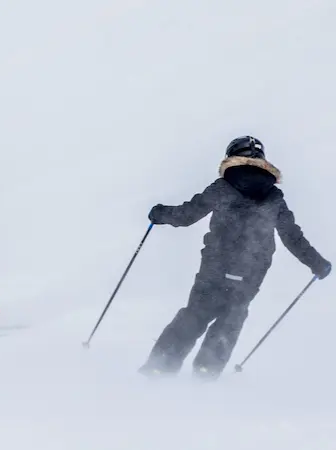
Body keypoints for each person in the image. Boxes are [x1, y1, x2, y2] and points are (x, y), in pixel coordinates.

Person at [140, 135, 331, 378]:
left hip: (215, 267)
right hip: (251, 273)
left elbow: (187, 215)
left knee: (196, 313)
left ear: (231, 157)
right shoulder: (274, 197)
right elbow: (292, 237)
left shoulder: (223, 187)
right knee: (231, 319)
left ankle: (160, 366)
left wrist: (160, 214)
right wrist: (316, 263)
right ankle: (206, 374)